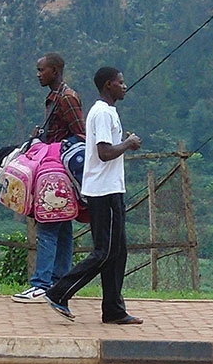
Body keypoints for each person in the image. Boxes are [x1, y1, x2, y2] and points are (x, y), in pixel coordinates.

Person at [44, 66, 143, 324]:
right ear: (108, 85)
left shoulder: (110, 111)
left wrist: (124, 141)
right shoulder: (100, 113)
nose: (124, 86)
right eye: (120, 82)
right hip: (103, 192)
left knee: (118, 251)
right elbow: (104, 152)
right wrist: (129, 143)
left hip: (112, 189)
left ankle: (113, 309)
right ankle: (59, 292)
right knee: (104, 251)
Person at [12, 53, 85, 303]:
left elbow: (81, 135)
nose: (38, 74)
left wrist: (55, 146)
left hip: (56, 174)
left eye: (41, 70)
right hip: (52, 169)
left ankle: (41, 283)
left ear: (55, 70)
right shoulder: (55, 98)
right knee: (62, 228)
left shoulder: (67, 98)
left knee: (47, 227)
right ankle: (60, 282)